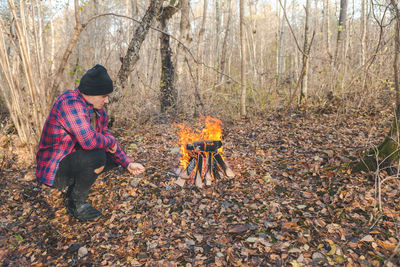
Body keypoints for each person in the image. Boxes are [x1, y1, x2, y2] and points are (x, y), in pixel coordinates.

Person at [36, 64, 145, 221]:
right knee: (98, 156)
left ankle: (73, 185)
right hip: (54, 169)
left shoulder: (97, 110)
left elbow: (106, 138)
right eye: (104, 96)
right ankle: (76, 203)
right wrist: (111, 141)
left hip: (72, 159)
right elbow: (89, 141)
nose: (107, 101)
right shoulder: (69, 103)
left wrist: (127, 163)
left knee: (111, 158)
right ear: (91, 93)